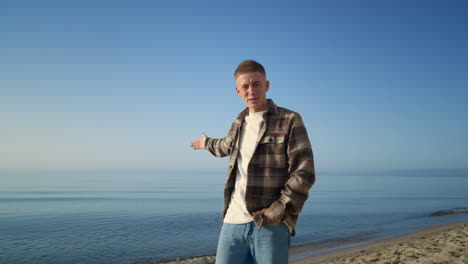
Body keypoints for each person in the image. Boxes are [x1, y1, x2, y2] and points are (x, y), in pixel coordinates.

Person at [191, 60, 315, 264]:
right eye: (245, 87)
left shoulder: (290, 119)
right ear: (237, 90)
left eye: (256, 84)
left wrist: (278, 210)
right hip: (232, 221)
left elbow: (304, 171)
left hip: (269, 224)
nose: (251, 91)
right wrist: (207, 143)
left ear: (266, 85)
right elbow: (226, 146)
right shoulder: (238, 123)